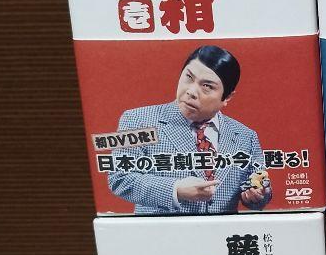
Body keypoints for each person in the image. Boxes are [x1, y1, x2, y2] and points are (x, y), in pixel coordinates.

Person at [107, 45, 272, 214]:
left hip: (222, 231)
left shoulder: (246, 136)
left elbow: (260, 189)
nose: (191, 91)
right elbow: (119, 179)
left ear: (227, 97)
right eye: (188, 77)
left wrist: (257, 195)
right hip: (162, 231)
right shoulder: (136, 120)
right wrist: (176, 189)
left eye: (207, 86)